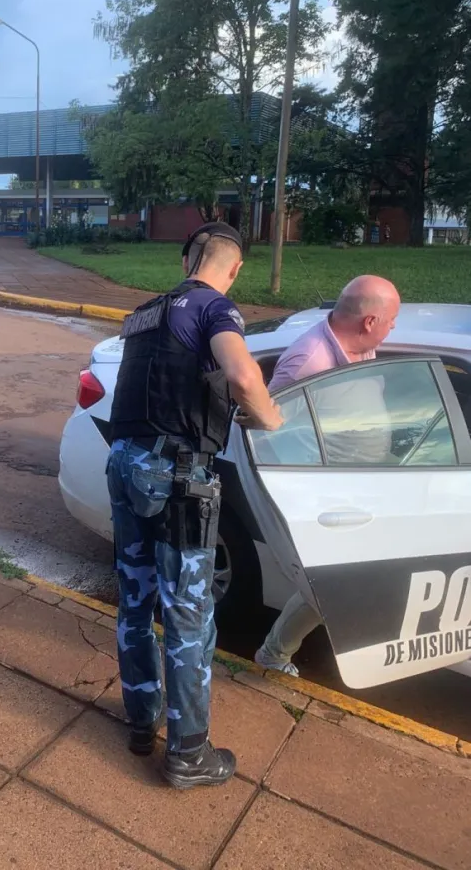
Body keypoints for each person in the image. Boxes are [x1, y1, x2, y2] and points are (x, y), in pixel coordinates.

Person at [106, 222, 283, 790]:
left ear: (187, 259)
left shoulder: (145, 313)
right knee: (187, 613)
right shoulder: (215, 308)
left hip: (125, 462)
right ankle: (188, 753)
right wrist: (270, 417)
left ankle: (142, 719)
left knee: (135, 598)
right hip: (177, 477)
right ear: (235, 269)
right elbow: (242, 375)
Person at [255, 274, 401, 676]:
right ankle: (273, 654)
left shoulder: (362, 346)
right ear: (370, 322)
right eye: (391, 321)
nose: (393, 328)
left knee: (354, 578)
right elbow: (268, 430)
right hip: (332, 493)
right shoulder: (309, 360)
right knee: (331, 583)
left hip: (369, 480)